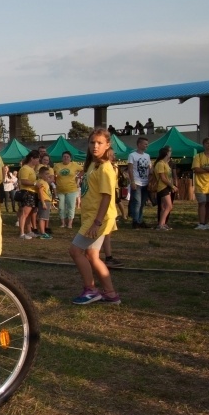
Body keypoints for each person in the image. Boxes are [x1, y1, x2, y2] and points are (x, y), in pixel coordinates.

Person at [69, 128, 120, 305]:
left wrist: (97, 223)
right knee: (92, 255)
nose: (95, 146)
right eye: (92, 142)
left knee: (75, 251)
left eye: (99, 143)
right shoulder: (93, 164)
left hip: (98, 218)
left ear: (107, 145)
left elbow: (107, 197)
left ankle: (91, 290)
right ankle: (111, 294)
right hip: (91, 216)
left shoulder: (106, 168)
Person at [53, 151, 83, 228]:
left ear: (70, 158)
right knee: (61, 207)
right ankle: (63, 223)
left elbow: (83, 170)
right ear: (62, 158)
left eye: (67, 157)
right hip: (60, 190)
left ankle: (70, 223)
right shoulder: (57, 166)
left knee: (71, 207)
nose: (66, 158)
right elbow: (52, 173)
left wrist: (78, 176)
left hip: (72, 190)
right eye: (64, 157)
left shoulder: (74, 165)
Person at [127, 137, 151, 229]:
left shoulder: (147, 156)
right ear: (139, 144)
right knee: (137, 202)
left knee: (142, 203)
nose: (146, 145)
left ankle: (140, 220)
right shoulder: (132, 155)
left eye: (147, 144)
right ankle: (135, 221)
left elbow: (149, 168)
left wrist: (150, 180)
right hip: (136, 182)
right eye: (145, 144)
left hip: (145, 182)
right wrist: (132, 181)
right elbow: (130, 169)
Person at [153, 146, 177, 231]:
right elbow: (162, 178)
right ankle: (161, 224)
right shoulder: (160, 164)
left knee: (163, 207)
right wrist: (172, 186)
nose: (171, 153)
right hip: (162, 187)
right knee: (169, 206)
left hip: (167, 187)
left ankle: (162, 223)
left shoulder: (166, 163)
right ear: (167, 153)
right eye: (170, 152)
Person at [18, 150, 41, 239]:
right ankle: (22, 233)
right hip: (27, 192)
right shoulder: (25, 168)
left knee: (30, 214)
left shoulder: (31, 169)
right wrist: (35, 183)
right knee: (24, 213)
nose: (38, 161)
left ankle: (29, 231)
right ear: (32, 158)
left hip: (32, 192)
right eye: (37, 159)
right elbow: (23, 180)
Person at [36, 167, 53, 239]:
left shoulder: (45, 182)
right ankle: (42, 233)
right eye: (46, 174)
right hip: (44, 201)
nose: (48, 175)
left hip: (47, 201)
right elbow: (41, 192)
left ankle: (43, 232)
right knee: (42, 218)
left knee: (45, 217)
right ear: (41, 175)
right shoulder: (41, 182)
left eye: (48, 174)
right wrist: (43, 203)